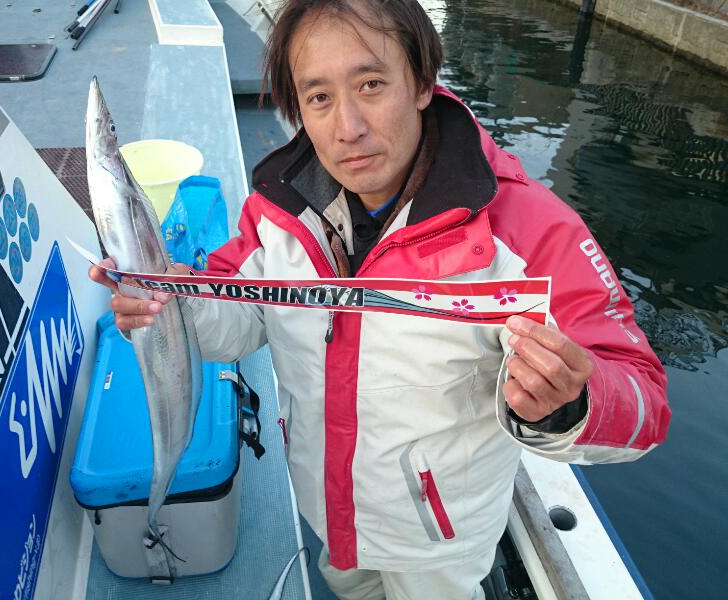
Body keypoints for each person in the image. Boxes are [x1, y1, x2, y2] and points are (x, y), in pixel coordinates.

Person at [89, 1, 671, 598]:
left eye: (370, 84)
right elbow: (238, 319)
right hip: (326, 510)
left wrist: (566, 404)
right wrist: (175, 306)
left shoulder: (526, 231)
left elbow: (643, 398)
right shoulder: (276, 212)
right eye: (319, 97)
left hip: (437, 543)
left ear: (421, 83)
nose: (347, 127)